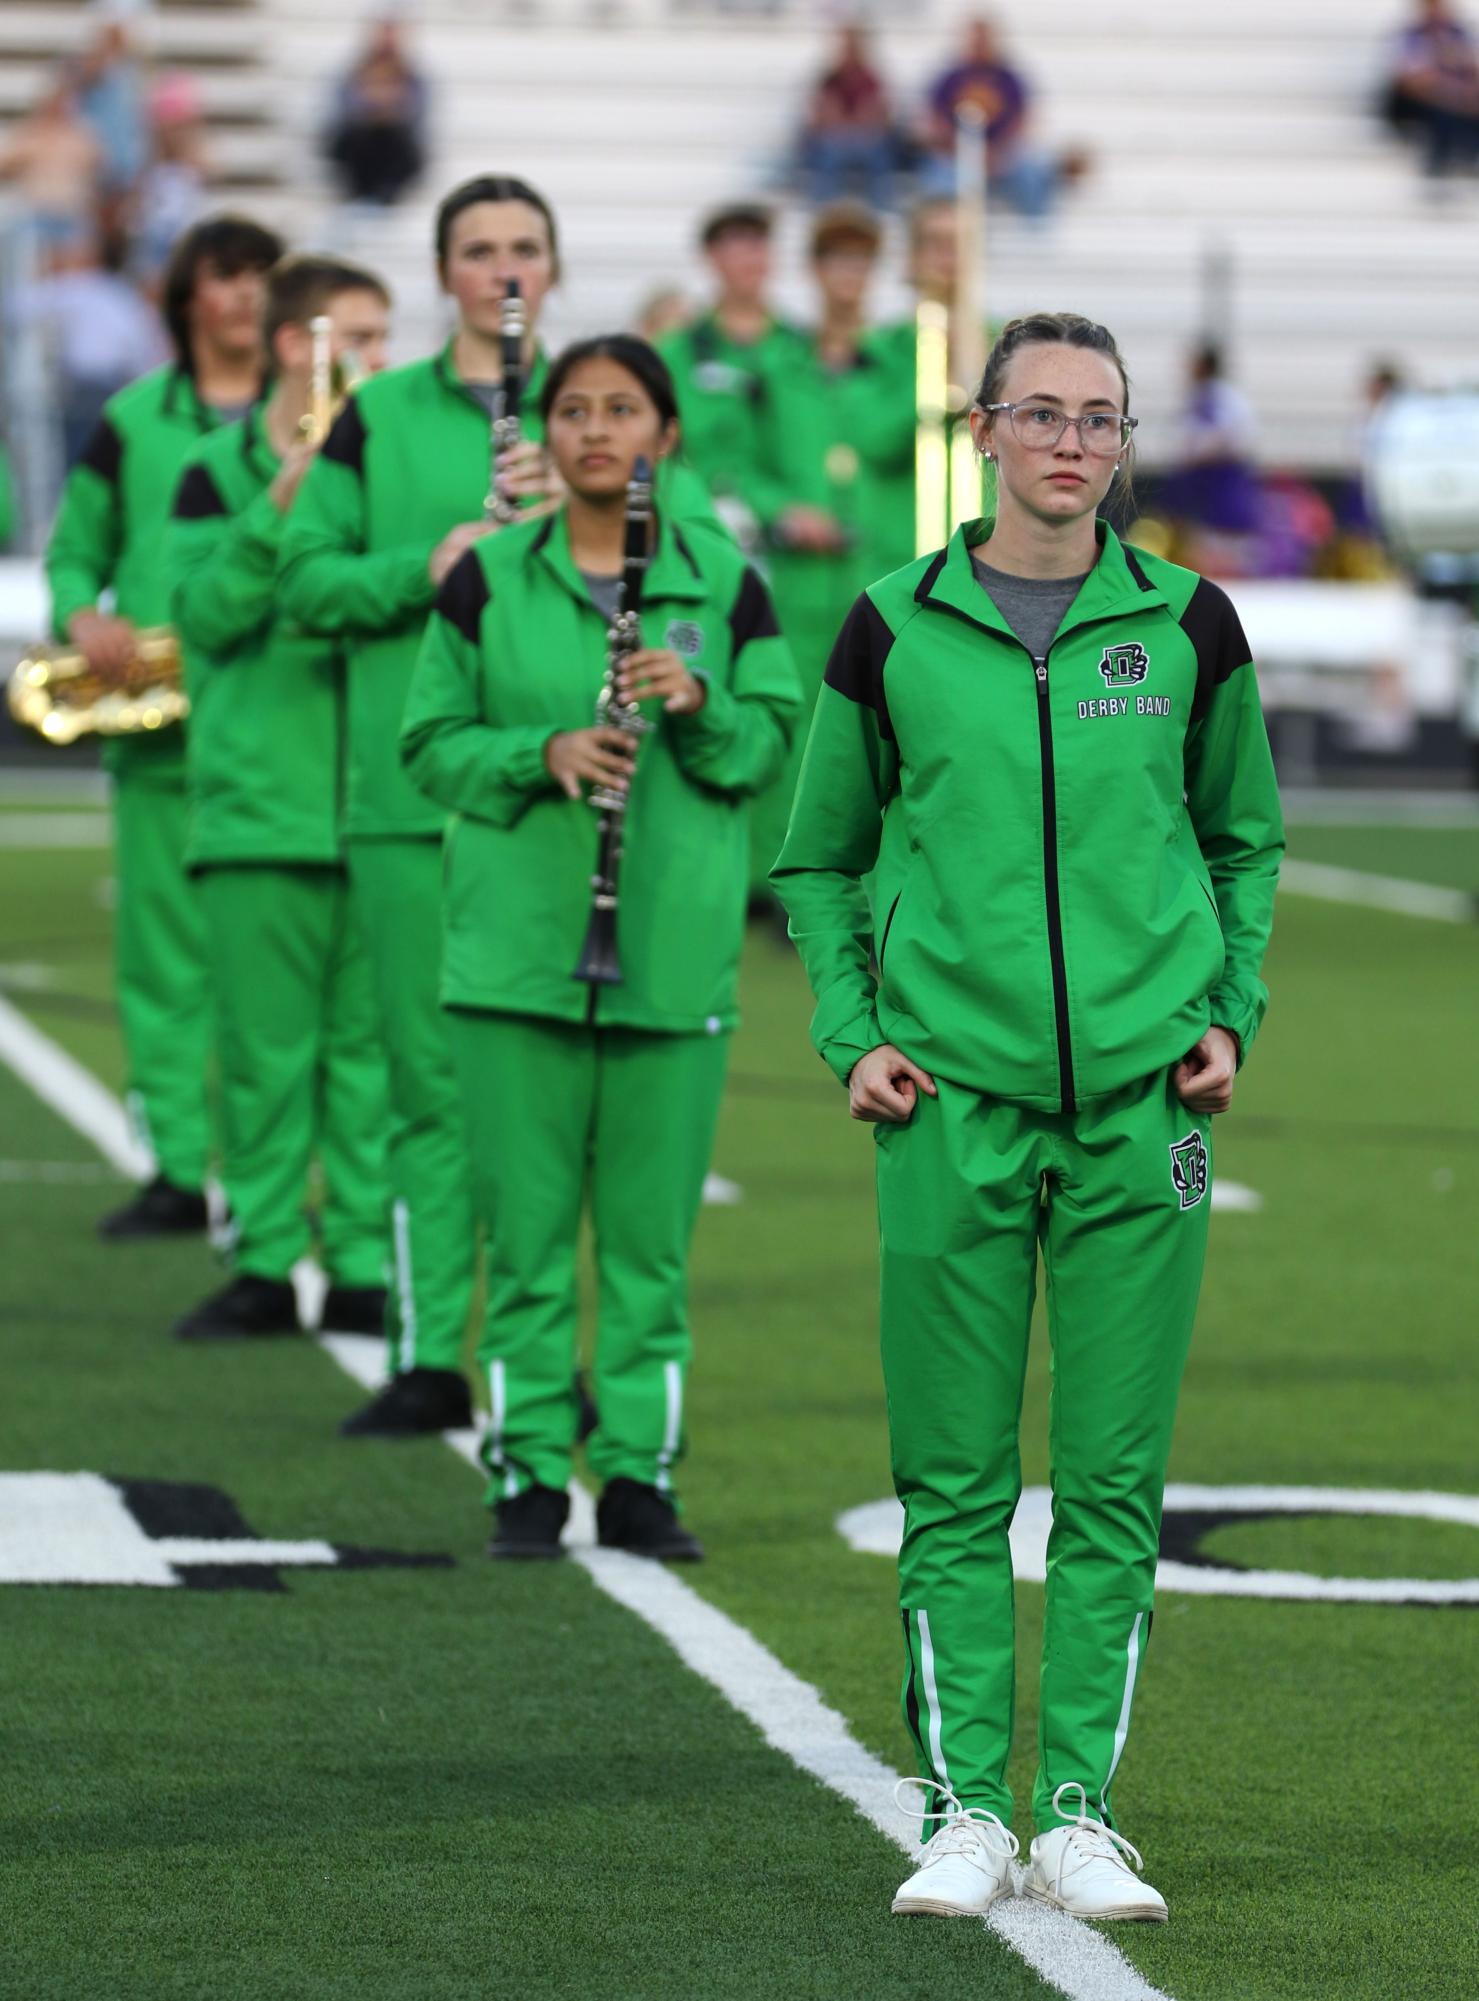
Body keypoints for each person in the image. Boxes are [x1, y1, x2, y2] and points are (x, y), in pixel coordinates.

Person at [773, 312, 1283, 1922]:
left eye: (1098, 420)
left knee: (1114, 1481)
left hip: (1146, 1112)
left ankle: (1072, 1809)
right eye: (1040, 414)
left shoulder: (1190, 623)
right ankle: (959, 1809)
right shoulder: (887, 626)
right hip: (949, 1103)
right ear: (982, 430)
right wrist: (852, 1032)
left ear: (1123, 446)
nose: (1069, 443)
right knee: (953, 1480)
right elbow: (817, 857)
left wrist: (1224, 1013)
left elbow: (1241, 843)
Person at [279, 175, 720, 1437]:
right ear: (443, 273)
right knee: (432, 1085)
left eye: (527, 247)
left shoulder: (607, 416)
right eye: (479, 251)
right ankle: (429, 1352)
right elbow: (303, 582)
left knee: (574, 1100)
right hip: (420, 805)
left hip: (585, 810)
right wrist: (428, 566)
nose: (505, 270)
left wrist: (584, 525)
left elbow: (685, 562)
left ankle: (562, 1364)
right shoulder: (375, 418)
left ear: (557, 267)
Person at [401, 335, 801, 1559]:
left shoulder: (723, 579)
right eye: (572, 409)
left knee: (646, 1248)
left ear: (667, 436)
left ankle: (637, 1477)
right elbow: (428, 744)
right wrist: (543, 755)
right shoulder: (485, 577)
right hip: (517, 958)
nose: (593, 430)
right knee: (522, 1240)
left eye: (623, 409)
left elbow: (770, 744)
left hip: (670, 960)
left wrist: (701, 702)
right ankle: (526, 1471)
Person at [166, 254, 394, 1342]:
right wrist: (280, 506)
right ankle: (262, 1256)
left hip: (379, 809)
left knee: (369, 1063)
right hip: (262, 810)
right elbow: (203, 618)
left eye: (385, 336)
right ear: (295, 347)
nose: (380, 359)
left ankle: (356, 1262)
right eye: (357, 336)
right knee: (263, 1059)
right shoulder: (213, 468)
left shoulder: (390, 467)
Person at [45, 212, 283, 1241]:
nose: (241, 298)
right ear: (186, 299)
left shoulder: (322, 424)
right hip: (155, 739)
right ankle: (179, 1170)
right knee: (162, 966)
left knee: (273, 980)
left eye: (259, 279)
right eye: (222, 279)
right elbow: (71, 555)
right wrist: (85, 615)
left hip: (281, 738)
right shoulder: (133, 419)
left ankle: (278, 1186)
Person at [745, 203, 912, 893]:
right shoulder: (776, 367)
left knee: (881, 733)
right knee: (792, 728)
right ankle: (784, 878)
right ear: (813, 270)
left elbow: (888, 439)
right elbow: (738, 463)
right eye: (836, 260)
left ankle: (873, 882)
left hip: (877, 572)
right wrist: (782, 508)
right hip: (799, 579)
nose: (849, 276)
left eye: (861, 261)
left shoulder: (906, 361)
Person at [655, 204, 806, 531]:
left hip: (797, 545)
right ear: (711, 256)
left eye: (758, 243)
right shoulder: (676, 353)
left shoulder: (803, 348)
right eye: (736, 245)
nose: (750, 258)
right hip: (701, 527)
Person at [6, 223, 168, 465]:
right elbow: (142, 348)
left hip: (88, 388)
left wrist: (44, 273)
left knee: (81, 457)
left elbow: (17, 307)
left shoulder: (80, 286)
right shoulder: (121, 294)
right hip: (118, 385)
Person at [918, 17, 1085, 219]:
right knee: (936, 182)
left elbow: (1023, 120)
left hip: (1004, 158)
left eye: (983, 39)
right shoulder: (950, 78)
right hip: (956, 158)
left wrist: (996, 154)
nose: (979, 45)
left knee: (1032, 174)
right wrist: (964, 152)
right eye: (974, 39)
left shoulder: (1009, 78)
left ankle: (1037, 236)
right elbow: (933, 120)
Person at [1159, 342, 1262, 578]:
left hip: (1221, 476)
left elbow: (1232, 436)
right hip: (1205, 478)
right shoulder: (1200, 396)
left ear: (1203, 366)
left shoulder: (1220, 397)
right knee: (1200, 539)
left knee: (1225, 538)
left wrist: (1198, 450)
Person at [324, 14, 428, 208]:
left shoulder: (414, 76)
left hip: (396, 145)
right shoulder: (352, 72)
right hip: (357, 145)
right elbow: (341, 116)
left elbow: (417, 118)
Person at [0, 70, 104, 259]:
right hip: (37, 213)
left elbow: (100, 166)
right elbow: (5, 165)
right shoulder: (31, 133)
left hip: (70, 213)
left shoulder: (81, 134)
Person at [796, 23, 899, 211]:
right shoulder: (827, 79)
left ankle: (882, 211)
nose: (848, 52)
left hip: (865, 140)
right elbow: (822, 118)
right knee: (828, 154)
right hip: (833, 140)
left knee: (880, 155)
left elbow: (878, 117)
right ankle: (823, 211)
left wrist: (853, 124)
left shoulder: (872, 78)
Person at [1382, 0, 1479, 183]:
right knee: (1442, 115)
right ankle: (1440, 165)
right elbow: (1408, 80)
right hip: (1420, 104)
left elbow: (1472, 72)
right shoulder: (1410, 36)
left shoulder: (1460, 35)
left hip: (1454, 102)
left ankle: (1464, 157)